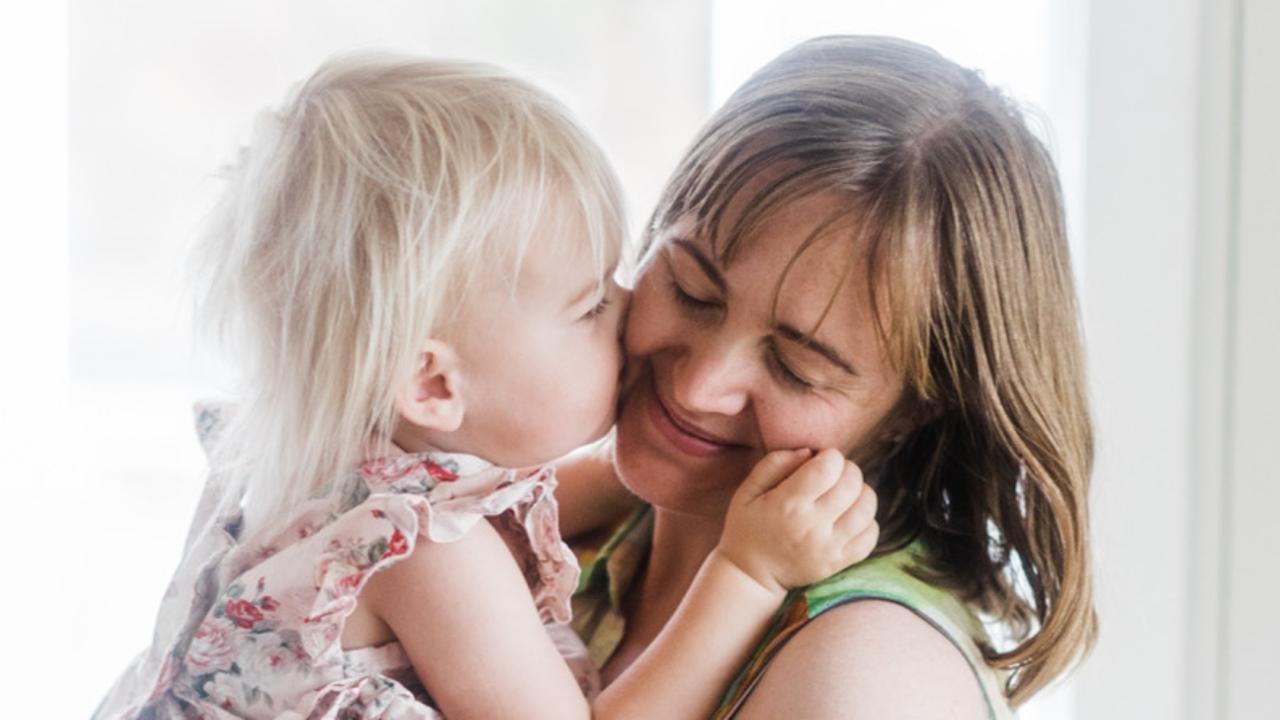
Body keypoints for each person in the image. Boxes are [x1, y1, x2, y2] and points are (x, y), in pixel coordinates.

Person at [93, 55, 880, 720]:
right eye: (591, 305)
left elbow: (527, 507)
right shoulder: (434, 555)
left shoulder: (324, 465)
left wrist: (637, 465)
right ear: (433, 384)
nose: (632, 310)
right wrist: (747, 574)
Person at [563, 35, 1097, 719]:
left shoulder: (866, 677)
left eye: (796, 368)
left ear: (916, 409)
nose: (700, 386)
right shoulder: (580, 533)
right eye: (692, 290)